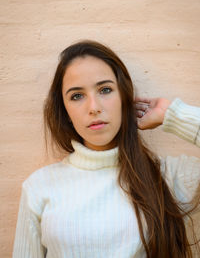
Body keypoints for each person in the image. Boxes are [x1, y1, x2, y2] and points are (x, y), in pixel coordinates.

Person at [13, 40, 200, 258]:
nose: (94, 107)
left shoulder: (171, 176)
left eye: (105, 90)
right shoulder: (39, 187)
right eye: (77, 96)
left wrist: (174, 115)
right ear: (65, 112)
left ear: (124, 97)